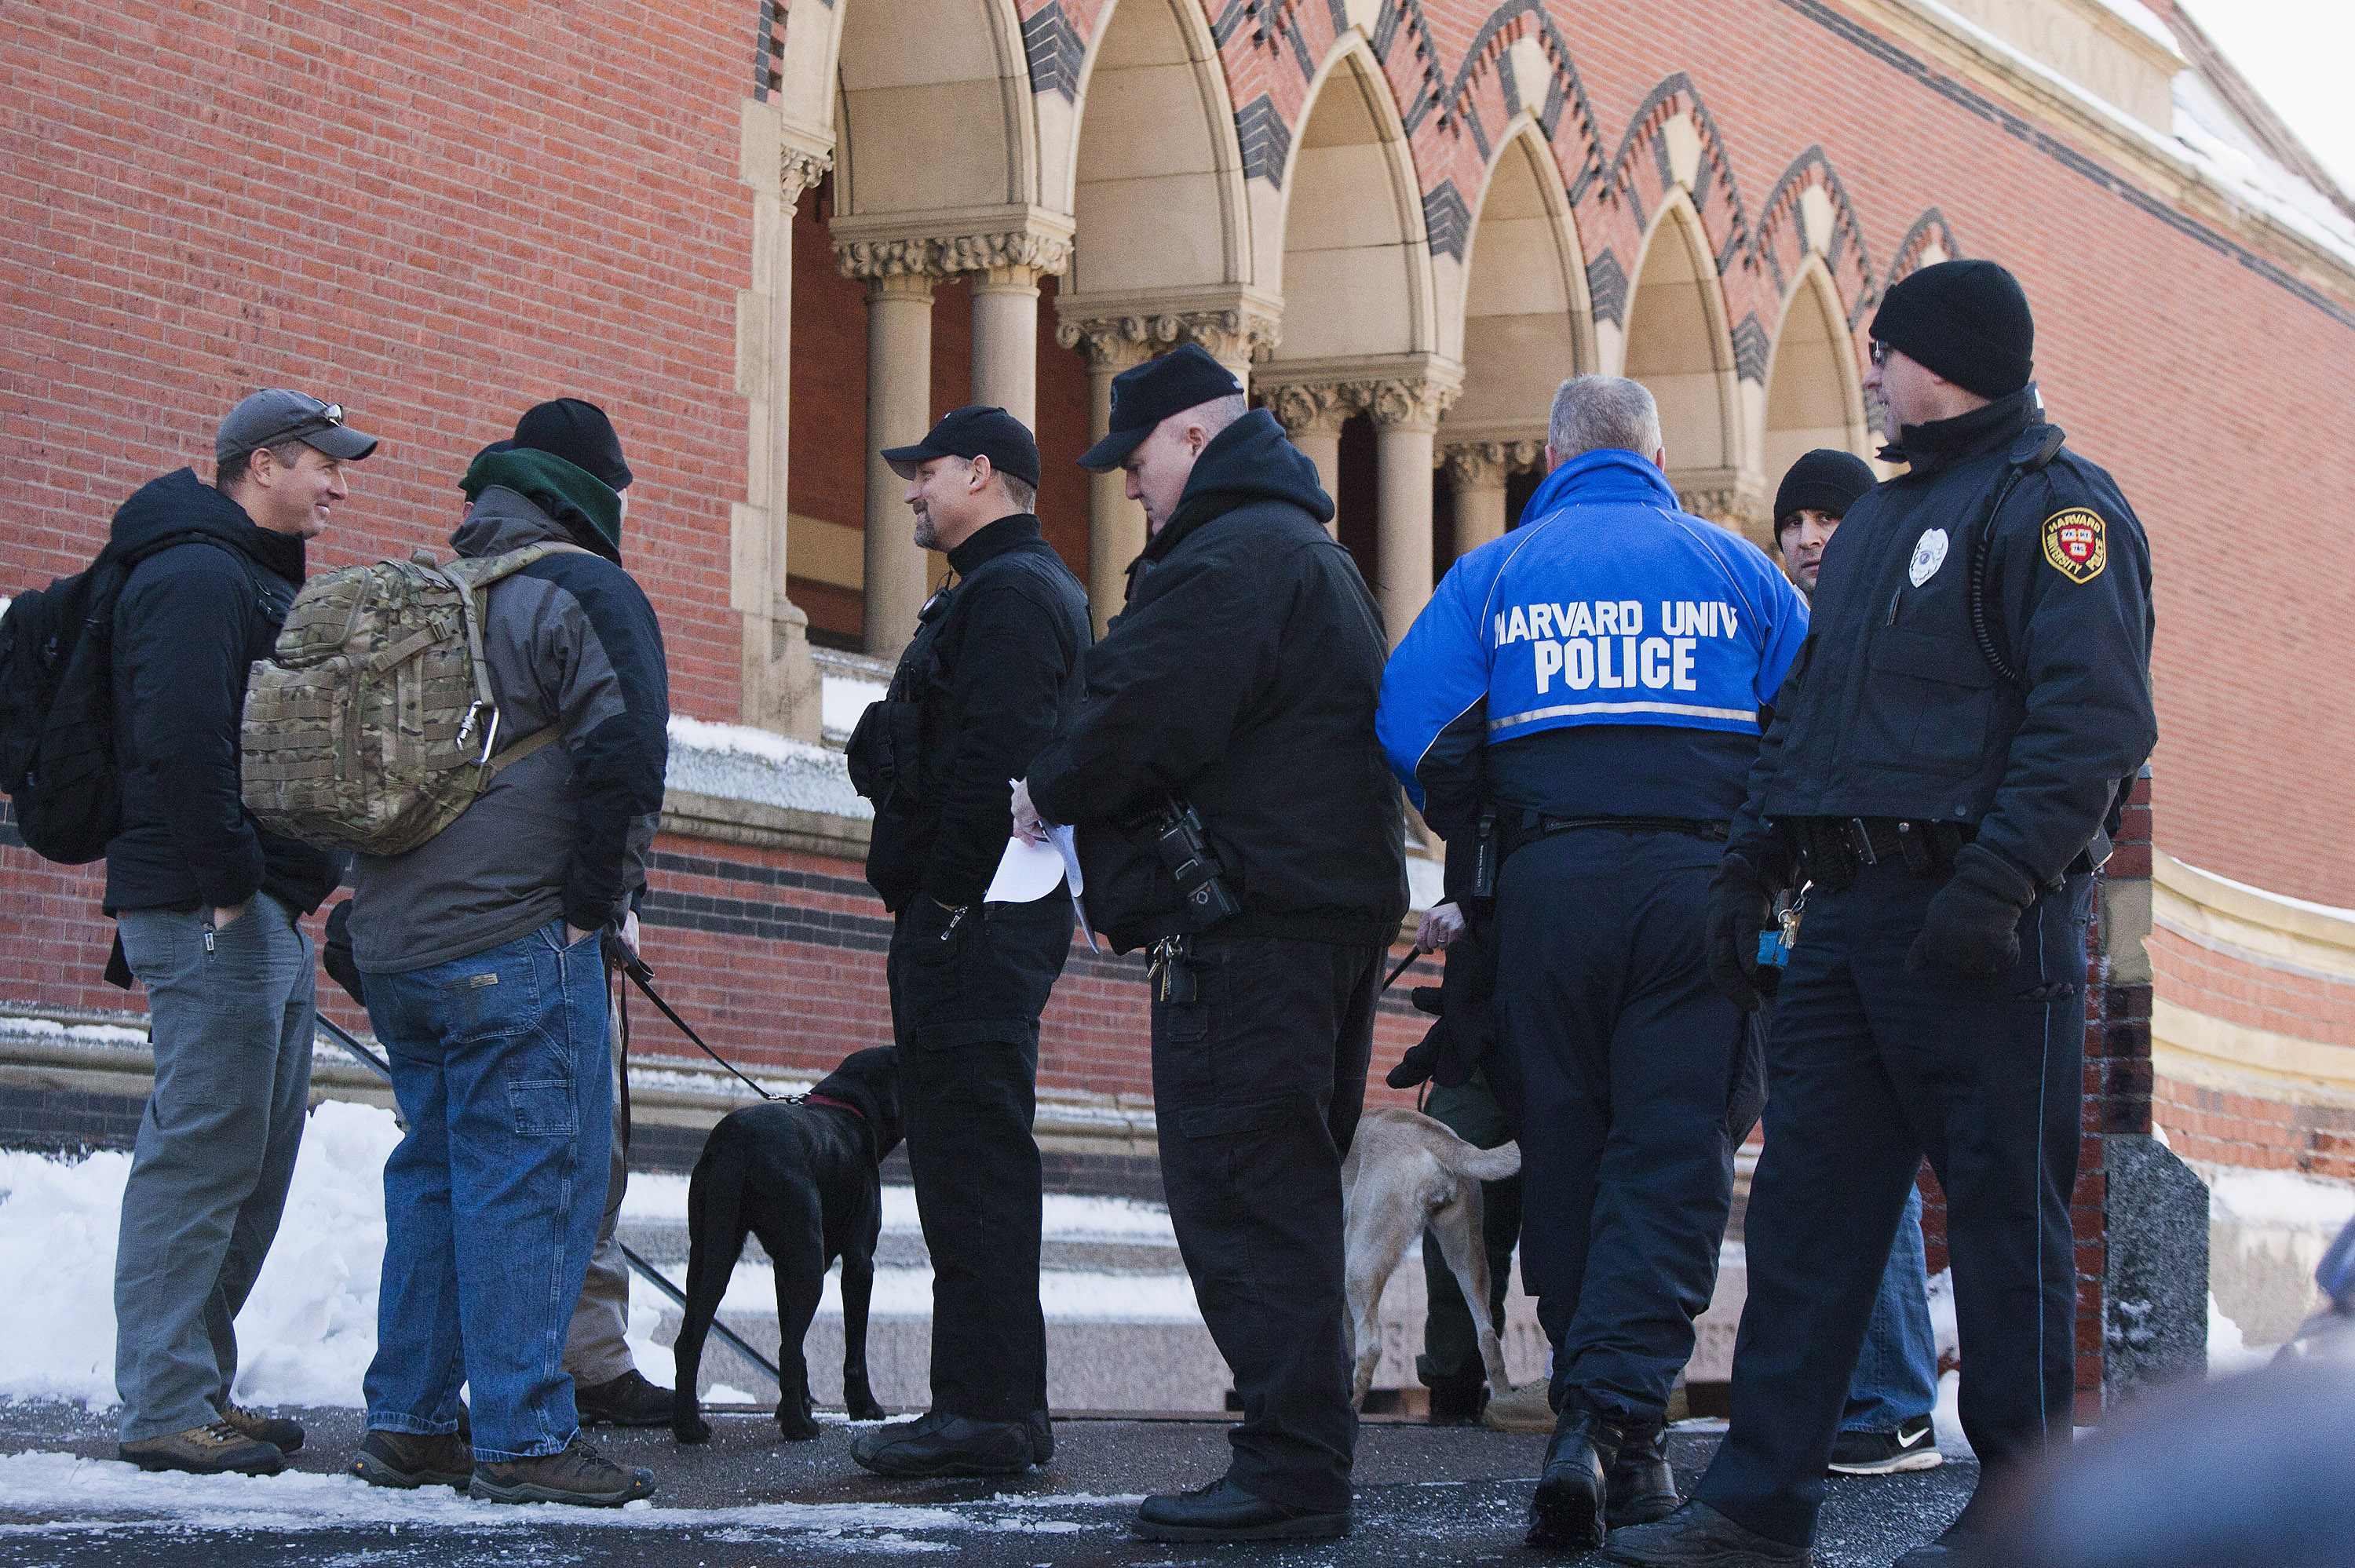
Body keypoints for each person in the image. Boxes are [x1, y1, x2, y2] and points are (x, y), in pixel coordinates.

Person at [1608, 259, 2156, 1568]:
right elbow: (1806, 716)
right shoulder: (1871, 527)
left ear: (1943, 359)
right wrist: (1751, 867)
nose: (1870, 371)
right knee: (1807, 1216)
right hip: (1848, 922)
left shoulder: (2059, 512)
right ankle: (1756, 1503)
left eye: (1885, 349)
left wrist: (1995, 885)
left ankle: (2024, 1516)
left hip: (1984, 928)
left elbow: (2092, 725)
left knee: (2008, 1232)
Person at [1375, 374, 1808, 1551]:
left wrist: (1484, 827)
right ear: (1657, 458)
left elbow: (1410, 723)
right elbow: (1815, 722)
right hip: (1702, 894)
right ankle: (1616, 1421)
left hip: (1546, 894)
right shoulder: (1738, 572)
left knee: (1565, 1141)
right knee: (1672, 1149)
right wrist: (1763, 850)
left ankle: (1601, 1419)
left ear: (1554, 457)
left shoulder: (1496, 574)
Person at [1012, 343, 1406, 1544]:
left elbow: (1132, 713)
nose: (1128, 484)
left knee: (1244, 1191)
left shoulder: (1229, 559)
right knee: (1285, 1187)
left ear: (1194, 435)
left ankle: (1290, 1468)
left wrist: (1050, 782)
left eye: (1136, 459)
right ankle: (1298, 1454)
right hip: (1318, 922)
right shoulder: (1308, 553)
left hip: (1246, 933)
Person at [346, 399, 669, 1507]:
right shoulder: (586, 590)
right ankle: (525, 1436)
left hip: (399, 944)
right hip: (517, 940)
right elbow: (627, 754)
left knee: (435, 1174)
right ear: (592, 494)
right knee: (530, 1180)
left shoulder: (434, 594)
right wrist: (595, 906)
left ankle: (409, 1423)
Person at [105, 390, 374, 1476]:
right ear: (262, 463)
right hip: (211, 906)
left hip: (256, 907)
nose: (338, 485)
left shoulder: (249, 574)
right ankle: (165, 1401)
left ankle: (196, 1385)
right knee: (202, 1154)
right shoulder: (198, 574)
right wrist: (227, 887)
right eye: (324, 464)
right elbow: (178, 738)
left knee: (253, 1159)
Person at [842, 406, 1091, 1477]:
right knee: (969, 1158)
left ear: (981, 473)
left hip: (977, 920)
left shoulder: (1012, 595)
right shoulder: (1001, 589)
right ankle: (1000, 1407)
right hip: (979, 913)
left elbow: (993, 763)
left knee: (970, 1163)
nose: (911, 488)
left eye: (927, 470)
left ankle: (983, 1413)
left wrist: (944, 898)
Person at [1771, 449, 1945, 1477]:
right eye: (1794, 521)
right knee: (1825, 1164)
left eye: (1828, 517)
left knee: (1868, 1158)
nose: (1808, 537)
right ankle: (1864, 1399)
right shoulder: (1801, 626)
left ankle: (1892, 1405)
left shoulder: (1886, 622)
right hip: (1807, 924)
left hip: (1877, 919)